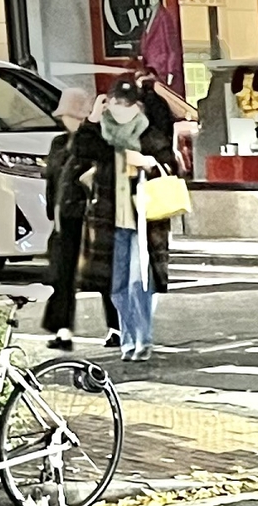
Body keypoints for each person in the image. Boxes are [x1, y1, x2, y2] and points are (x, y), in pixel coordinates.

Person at [75, 78, 175, 362]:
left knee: (138, 283)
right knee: (116, 286)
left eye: (127, 105)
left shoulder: (149, 134)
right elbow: (80, 150)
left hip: (144, 221)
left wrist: (148, 163)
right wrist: (93, 118)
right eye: (117, 104)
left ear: (137, 107)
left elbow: (171, 168)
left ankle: (141, 339)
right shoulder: (102, 137)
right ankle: (128, 339)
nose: (122, 111)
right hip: (108, 220)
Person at [39, 87, 98, 352]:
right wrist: (52, 212)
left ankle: (117, 327)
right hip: (64, 219)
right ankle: (62, 330)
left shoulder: (91, 141)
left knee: (101, 275)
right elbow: (51, 180)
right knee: (61, 276)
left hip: (88, 217)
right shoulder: (58, 144)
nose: (67, 120)